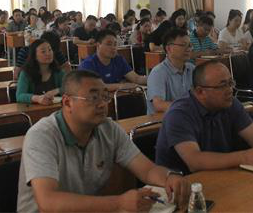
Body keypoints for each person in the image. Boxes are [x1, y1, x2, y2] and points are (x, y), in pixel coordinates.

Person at [16, 69, 191, 213]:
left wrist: (170, 177)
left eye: (105, 96)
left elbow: (147, 170)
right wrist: (119, 203)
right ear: (67, 103)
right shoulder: (42, 136)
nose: (102, 104)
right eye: (93, 98)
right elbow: (48, 203)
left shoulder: (108, 129)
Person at [155, 60, 253, 174]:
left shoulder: (230, 103)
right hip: (181, 184)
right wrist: (245, 157)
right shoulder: (179, 114)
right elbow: (194, 161)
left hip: (218, 175)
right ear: (200, 92)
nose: (230, 90)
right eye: (222, 86)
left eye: (230, 83)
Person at [147, 29, 195, 115]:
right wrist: (188, 107)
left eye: (190, 45)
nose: (189, 49)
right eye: (183, 45)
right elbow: (159, 105)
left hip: (186, 116)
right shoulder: (158, 72)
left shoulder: (192, 69)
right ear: (169, 48)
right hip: (163, 120)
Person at [79, 30, 146, 90]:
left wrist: (151, 80)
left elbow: (136, 78)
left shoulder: (119, 59)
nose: (113, 47)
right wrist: (121, 86)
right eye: (109, 44)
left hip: (118, 97)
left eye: (115, 44)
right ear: (98, 45)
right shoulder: (88, 64)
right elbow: (94, 87)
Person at [16, 39, 64, 105]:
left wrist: (57, 90)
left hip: (55, 108)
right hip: (33, 109)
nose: (48, 54)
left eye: (50, 50)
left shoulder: (58, 72)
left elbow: (70, 89)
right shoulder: (26, 73)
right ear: (34, 56)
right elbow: (19, 96)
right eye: (43, 52)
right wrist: (37, 98)